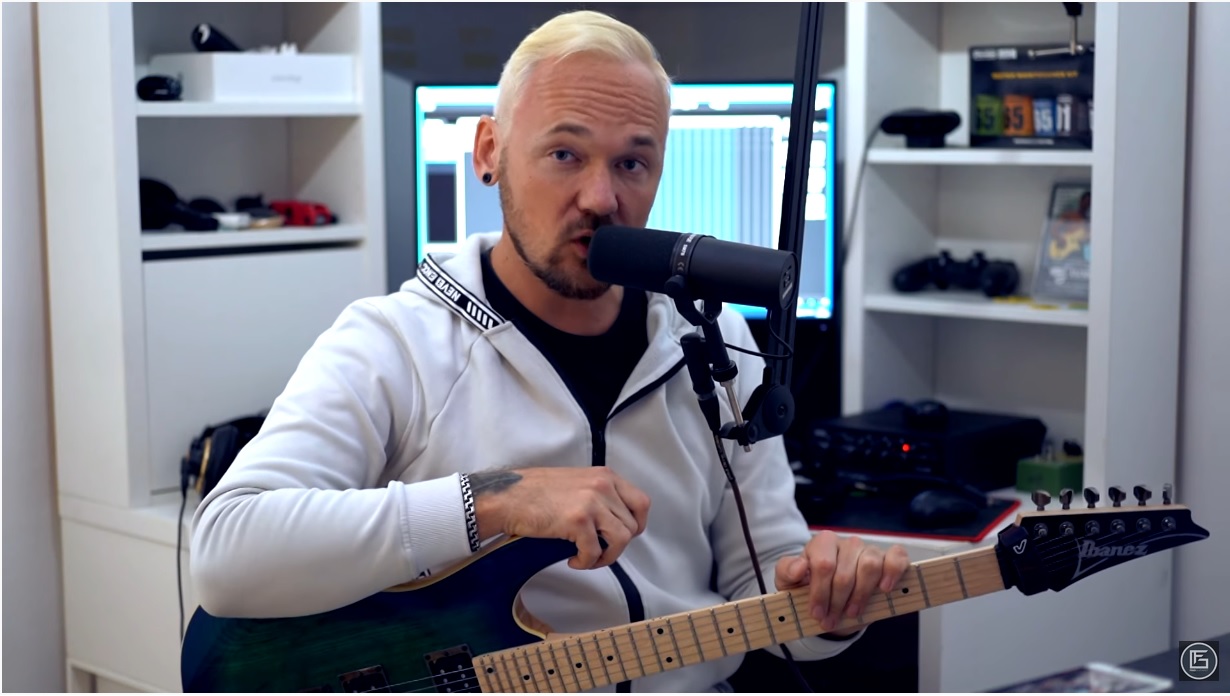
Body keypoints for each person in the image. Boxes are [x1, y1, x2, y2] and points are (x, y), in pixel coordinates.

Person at [190, 9, 910, 692]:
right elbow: (227, 552)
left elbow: (765, 582)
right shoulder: (394, 342)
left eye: (633, 164)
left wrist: (828, 604)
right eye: (565, 154)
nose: (601, 197)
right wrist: (495, 500)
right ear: (488, 152)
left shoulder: (717, 345)